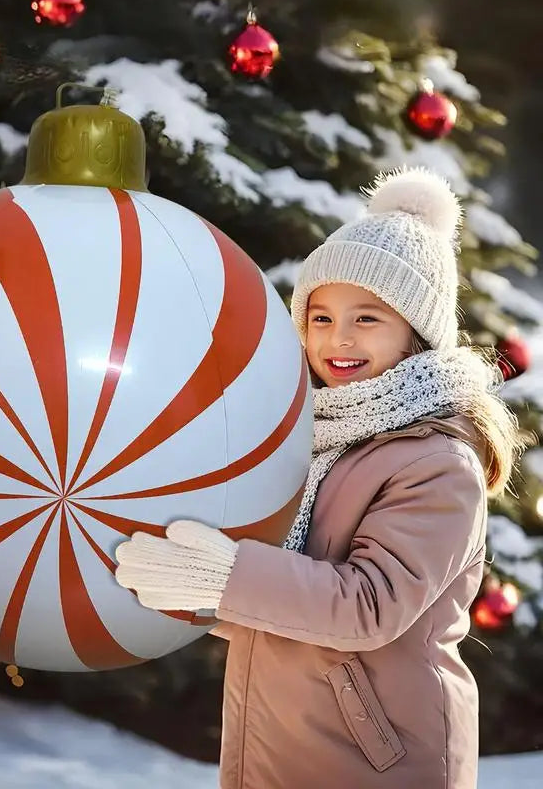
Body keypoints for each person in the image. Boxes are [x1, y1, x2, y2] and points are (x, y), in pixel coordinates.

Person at [113, 166, 533, 789]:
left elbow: (368, 607)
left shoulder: (439, 462)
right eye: (320, 316)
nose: (338, 337)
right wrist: (189, 587)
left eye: (367, 318)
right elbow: (273, 595)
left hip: (377, 761)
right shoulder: (310, 436)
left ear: (417, 335)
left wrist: (225, 575)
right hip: (275, 744)